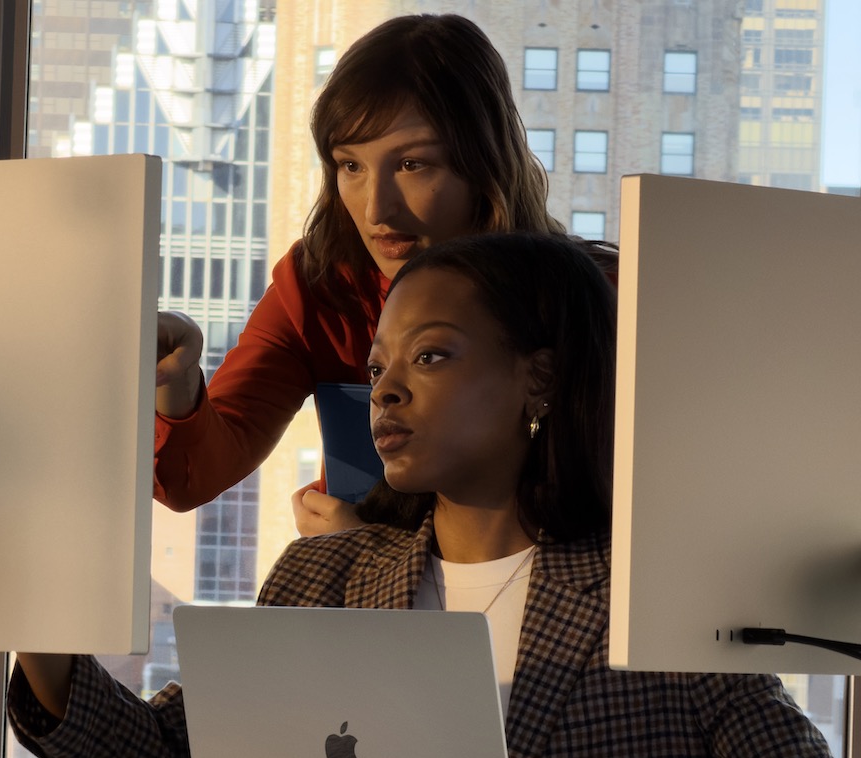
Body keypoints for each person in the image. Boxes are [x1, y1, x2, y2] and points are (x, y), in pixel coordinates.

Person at [10, 232, 858, 758]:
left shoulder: (657, 601)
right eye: (378, 366)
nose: (387, 389)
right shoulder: (322, 578)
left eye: (432, 355)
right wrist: (39, 601)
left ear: (539, 378)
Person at [151, 13, 571, 535]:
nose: (376, 209)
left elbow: (627, 518)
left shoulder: (590, 297)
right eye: (351, 166)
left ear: (484, 163)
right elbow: (189, 479)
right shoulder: (317, 286)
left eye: (412, 164)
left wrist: (365, 553)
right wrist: (179, 383)